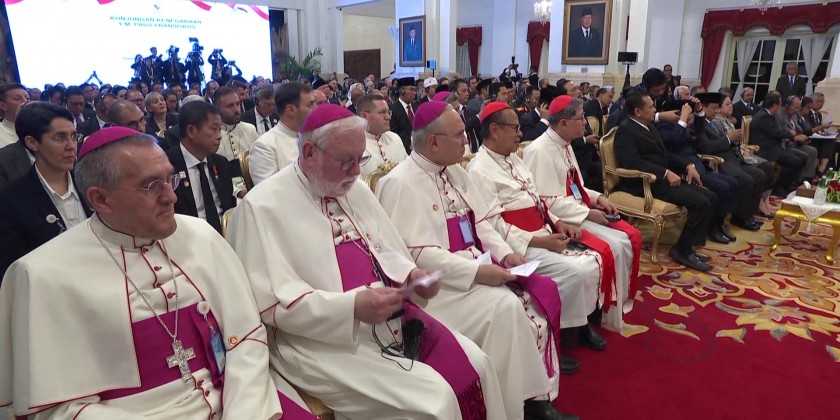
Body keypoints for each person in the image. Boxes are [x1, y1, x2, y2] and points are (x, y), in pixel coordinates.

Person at [0, 126, 310, 418]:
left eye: (170, 179)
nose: (171, 196)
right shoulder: (42, 275)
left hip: (238, 398)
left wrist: (243, 411)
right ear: (100, 199)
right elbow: (58, 410)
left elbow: (246, 337)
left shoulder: (201, 235)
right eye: (151, 186)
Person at [227, 104, 508, 419]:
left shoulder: (354, 189)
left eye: (360, 160)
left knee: (478, 365)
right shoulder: (261, 207)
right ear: (309, 152)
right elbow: (271, 305)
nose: (356, 172)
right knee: (435, 402)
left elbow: (389, 250)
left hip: (390, 320)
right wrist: (351, 308)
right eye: (346, 161)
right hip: (319, 344)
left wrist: (412, 276)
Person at [375, 101, 576, 420]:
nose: (466, 142)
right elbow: (417, 254)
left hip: (478, 266)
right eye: (459, 135)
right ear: (434, 142)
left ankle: (533, 397)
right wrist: (478, 272)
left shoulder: (456, 172)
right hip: (441, 287)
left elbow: (481, 223)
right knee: (505, 307)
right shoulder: (399, 183)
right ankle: (515, 407)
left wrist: (505, 254)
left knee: (533, 294)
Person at [466, 102, 607, 375]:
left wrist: (558, 222)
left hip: (543, 231)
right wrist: (541, 242)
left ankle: (579, 324)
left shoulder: (513, 158)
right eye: (514, 128)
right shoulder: (479, 169)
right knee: (574, 271)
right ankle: (559, 338)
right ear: (494, 130)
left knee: (592, 259)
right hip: (518, 244)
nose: (520, 134)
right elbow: (493, 224)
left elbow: (536, 200)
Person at [524, 95, 641, 328]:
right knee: (616, 246)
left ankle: (609, 305)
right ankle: (598, 312)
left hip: (577, 209)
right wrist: (587, 213)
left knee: (625, 240)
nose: (585, 123)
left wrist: (599, 198)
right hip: (563, 219)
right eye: (581, 118)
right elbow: (545, 201)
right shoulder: (539, 150)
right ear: (564, 123)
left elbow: (576, 186)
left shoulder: (565, 144)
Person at [614, 93, 716, 271]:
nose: (655, 110)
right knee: (701, 203)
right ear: (638, 111)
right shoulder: (626, 131)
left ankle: (686, 246)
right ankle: (682, 251)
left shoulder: (649, 126)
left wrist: (687, 166)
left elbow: (664, 155)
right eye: (651, 107)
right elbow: (632, 162)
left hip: (661, 179)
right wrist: (665, 173)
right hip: (644, 183)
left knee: (710, 196)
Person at [0, 102, 92, 276]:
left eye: (74, 136)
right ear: (32, 142)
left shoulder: (91, 182)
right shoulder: (11, 200)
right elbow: (13, 269)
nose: (71, 146)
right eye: (60, 137)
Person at [656, 95, 748, 242]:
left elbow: (698, 131)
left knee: (733, 183)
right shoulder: (663, 127)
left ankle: (719, 222)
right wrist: (682, 119)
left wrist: (699, 111)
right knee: (722, 187)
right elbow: (675, 139)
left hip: (699, 166)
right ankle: (712, 227)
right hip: (685, 170)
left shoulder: (683, 126)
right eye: (685, 114)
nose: (688, 118)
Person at [166, 101, 236, 233]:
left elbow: (229, 206)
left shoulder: (220, 163)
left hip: (225, 232)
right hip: (187, 235)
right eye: (214, 129)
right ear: (191, 131)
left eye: (220, 129)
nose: (219, 136)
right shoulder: (168, 166)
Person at [707, 93, 776, 219]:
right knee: (750, 177)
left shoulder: (727, 121)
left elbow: (734, 142)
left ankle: (754, 209)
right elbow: (717, 144)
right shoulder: (715, 122)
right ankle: (743, 215)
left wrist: (739, 146)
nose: (731, 106)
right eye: (727, 104)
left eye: (731, 103)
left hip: (735, 155)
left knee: (763, 170)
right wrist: (734, 142)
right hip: (725, 159)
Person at [249, 82, 315, 185]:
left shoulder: (313, 135)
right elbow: (268, 190)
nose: (315, 109)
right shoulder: (264, 146)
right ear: (291, 110)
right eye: (310, 105)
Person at [214, 87, 258, 199]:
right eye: (230, 106)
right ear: (217, 109)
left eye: (238, 104)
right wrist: (237, 191)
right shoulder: (212, 135)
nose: (237, 109)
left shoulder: (250, 129)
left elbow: (258, 163)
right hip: (225, 193)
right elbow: (214, 175)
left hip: (254, 186)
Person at [357, 94, 407, 178]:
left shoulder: (395, 138)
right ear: (364, 116)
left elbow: (407, 169)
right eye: (382, 112)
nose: (388, 117)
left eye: (388, 112)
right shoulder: (354, 146)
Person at [775, 95, 818, 182]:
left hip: (796, 143)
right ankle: (794, 180)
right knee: (802, 156)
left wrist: (802, 137)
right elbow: (780, 133)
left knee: (812, 151)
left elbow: (799, 129)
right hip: (786, 144)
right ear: (788, 105)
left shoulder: (794, 115)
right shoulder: (779, 115)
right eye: (796, 107)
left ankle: (806, 178)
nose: (797, 110)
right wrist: (794, 137)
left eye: (799, 108)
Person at [389, 77, 417, 153]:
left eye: (415, 90)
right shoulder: (393, 109)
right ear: (402, 91)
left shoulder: (416, 106)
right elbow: (393, 132)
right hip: (402, 149)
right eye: (411, 89)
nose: (414, 93)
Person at [0, 84, 30, 149]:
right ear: (3, 105)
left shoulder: (43, 126)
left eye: (27, 98)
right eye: (17, 99)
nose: (25, 101)